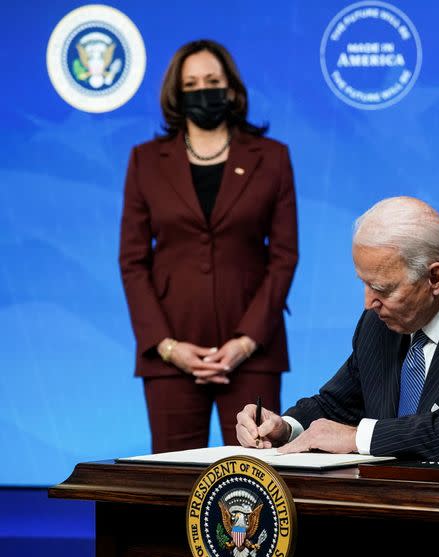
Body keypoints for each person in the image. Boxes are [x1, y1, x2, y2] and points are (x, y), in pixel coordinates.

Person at [236, 197, 439, 462]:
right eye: (364, 284)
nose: (369, 303)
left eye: (382, 289)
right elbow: (335, 406)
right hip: (393, 511)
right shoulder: (378, 325)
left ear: (435, 279)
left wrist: (358, 437)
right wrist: (285, 428)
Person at [119, 39, 298, 453]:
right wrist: (166, 346)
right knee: (173, 485)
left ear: (231, 88)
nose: (204, 90)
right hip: (170, 354)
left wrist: (246, 342)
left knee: (258, 479)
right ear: (176, 94)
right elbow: (132, 261)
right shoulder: (145, 160)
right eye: (192, 83)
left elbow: (284, 255)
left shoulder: (272, 158)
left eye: (213, 81)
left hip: (254, 351)